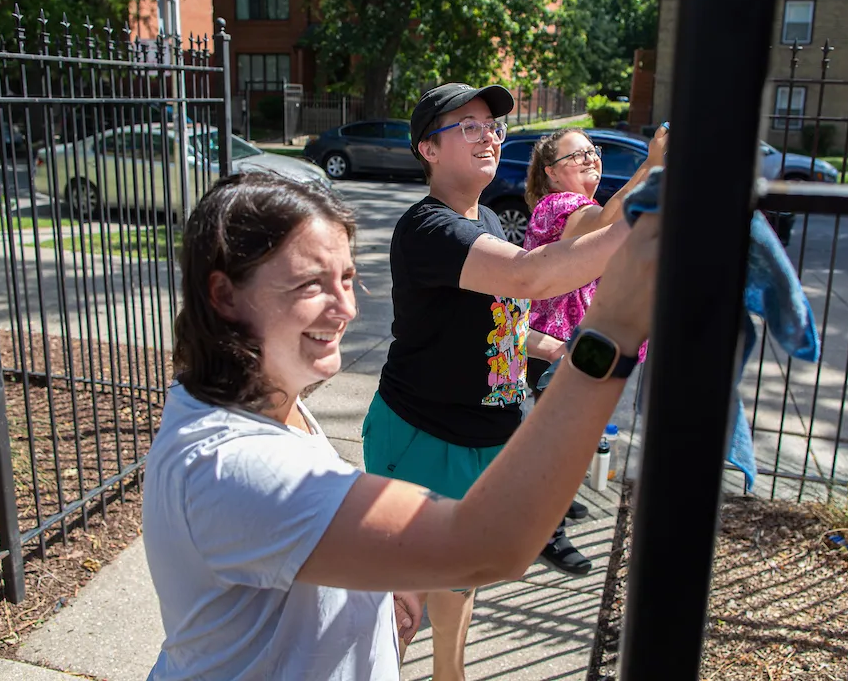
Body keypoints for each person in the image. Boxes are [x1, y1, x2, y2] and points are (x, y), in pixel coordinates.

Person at [141, 170, 660, 680]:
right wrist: (608, 336)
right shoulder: (238, 464)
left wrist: (373, 583)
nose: (345, 307)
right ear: (225, 295)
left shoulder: (252, 400)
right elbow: (489, 546)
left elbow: (280, 562)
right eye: (310, 283)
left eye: (347, 278)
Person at [363, 84, 639, 680]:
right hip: (421, 438)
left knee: (459, 580)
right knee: (402, 605)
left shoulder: (487, 219)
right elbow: (532, 278)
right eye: (467, 125)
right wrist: (644, 219)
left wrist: (557, 348)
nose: (488, 134)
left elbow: (502, 326)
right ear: (427, 150)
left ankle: (450, 675)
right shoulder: (428, 229)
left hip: (485, 437)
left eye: (491, 126)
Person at [523, 125, 667, 393]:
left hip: (584, 353)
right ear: (551, 171)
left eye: (592, 151)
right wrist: (651, 164)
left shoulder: (586, 209)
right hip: (560, 353)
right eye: (577, 155)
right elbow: (605, 224)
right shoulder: (554, 206)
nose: (590, 158)